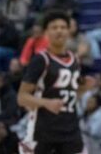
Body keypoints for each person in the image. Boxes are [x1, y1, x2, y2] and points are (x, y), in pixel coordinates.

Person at [18, 10, 88, 154]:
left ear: (69, 32)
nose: (59, 31)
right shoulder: (40, 60)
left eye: (63, 27)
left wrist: (84, 88)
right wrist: (46, 103)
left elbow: (71, 96)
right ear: (46, 33)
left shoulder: (75, 60)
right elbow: (22, 98)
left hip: (70, 129)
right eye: (54, 27)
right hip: (43, 129)